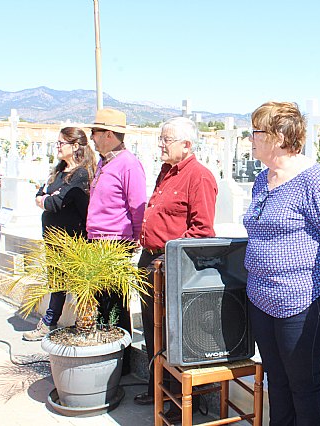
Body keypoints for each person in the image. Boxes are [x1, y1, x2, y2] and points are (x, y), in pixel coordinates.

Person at [243, 101, 320, 426]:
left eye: (256, 132)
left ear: (279, 136)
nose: (251, 139)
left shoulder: (313, 182)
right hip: (261, 299)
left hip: (302, 302)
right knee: (278, 381)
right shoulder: (262, 180)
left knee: (303, 385)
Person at [133, 117, 218, 412]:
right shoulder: (166, 172)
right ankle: (156, 389)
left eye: (166, 140)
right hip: (151, 259)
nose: (160, 144)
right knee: (151, 328)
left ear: (186, 144)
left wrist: (165, 257)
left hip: (170, 265)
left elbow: (202, 230)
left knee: (171, 333)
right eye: (161, 138)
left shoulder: (200, 176)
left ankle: (180, 401)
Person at [86, 107, 147, 374]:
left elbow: (138, 207)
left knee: (115, 304)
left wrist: (134, 239)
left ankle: (118, 364)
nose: (92, 137)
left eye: (95, 132)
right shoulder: (104, 162)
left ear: (109, 134)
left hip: (115, 243)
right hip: (97, 240)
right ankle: (105, 356)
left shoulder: (128, 164)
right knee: (100, 302)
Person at [22, 127, 97, 341]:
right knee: (56, 282)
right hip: (53, 238)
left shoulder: (80, 174)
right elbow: (41, 194)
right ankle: (49, 322)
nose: (57, 147)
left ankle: (76, 324)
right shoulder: (58, 171)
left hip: (72, 239)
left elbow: (55, 202)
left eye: (60, 143)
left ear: (75, 146)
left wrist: (48, 199)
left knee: (76, 283)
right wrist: (47, 198)